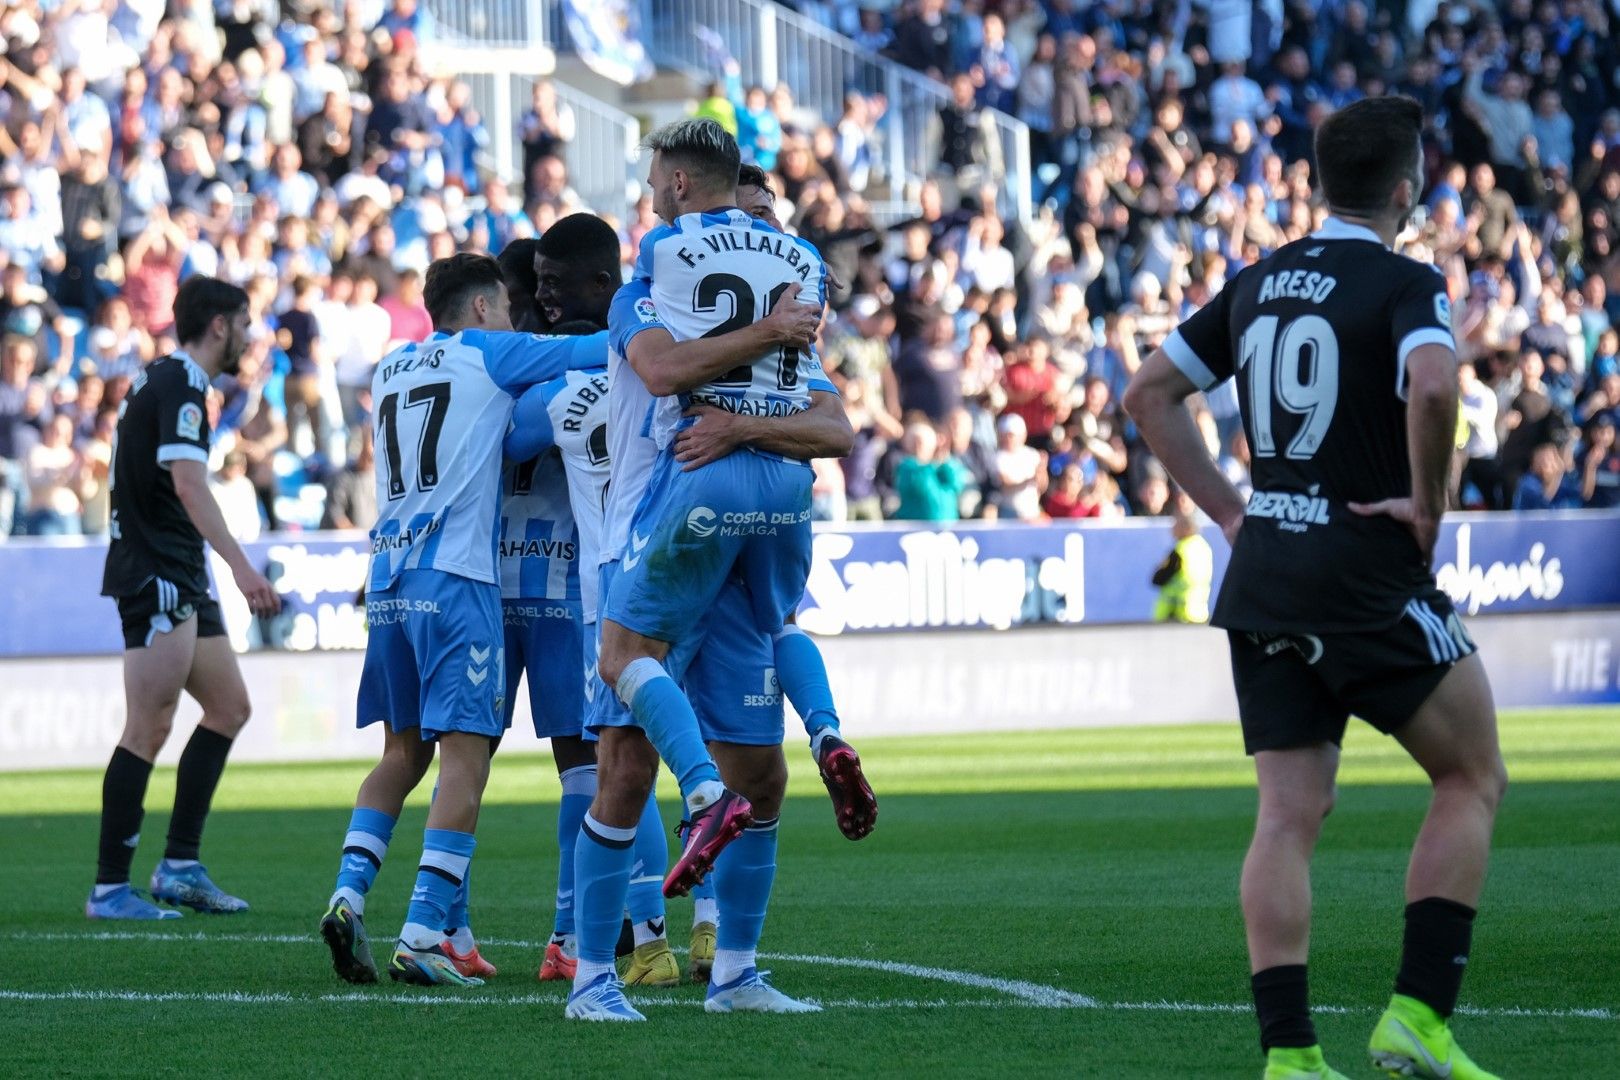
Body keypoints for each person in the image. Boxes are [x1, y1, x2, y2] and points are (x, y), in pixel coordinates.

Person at [1124, 97, 1507, 1080]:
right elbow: (1435, 385)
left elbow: (1148, 394)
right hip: (1362, 567)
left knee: (1288, 815)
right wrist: (1430, 504)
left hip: (1267, 572)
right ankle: (1417, 1017)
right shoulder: (1405, 281)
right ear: (1407, 192)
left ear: (1321, 183)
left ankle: (1291, 1055)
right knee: (1471, 776)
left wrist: (1231, 513)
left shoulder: (1258, 281)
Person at [574, 121, 851, 1022]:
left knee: (720, 764)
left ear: (682, 184)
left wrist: (737, 420)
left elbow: (666, 374)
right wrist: (770, 331)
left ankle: (715, 965)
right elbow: (819, 422)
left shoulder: (657, 272)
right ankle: (626, 974)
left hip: (681, 512)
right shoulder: (789, 284)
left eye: (657, 177)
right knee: (660, 768)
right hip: (714, 515)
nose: (652, 192)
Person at [317, 253, 603, 988]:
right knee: (466, 760)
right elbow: (596, 349)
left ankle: (348, 896)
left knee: (400, 754)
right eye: (504, 306)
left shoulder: (391, 367)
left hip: (389, 581)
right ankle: (423, 932)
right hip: (457, 583)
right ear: (481, 308)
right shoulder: (489, 352)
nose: (511, 319)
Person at [90, 275, 283, 921]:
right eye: (245, 323)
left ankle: (179, 867)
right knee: (148, 727)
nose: (250, 336)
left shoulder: (171, 380)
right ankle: (109, 889)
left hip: (181, 572)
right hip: (158, 574)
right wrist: (243, 569)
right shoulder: (182, 384)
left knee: (228, 708)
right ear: (220, 324)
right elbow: (190, 485)